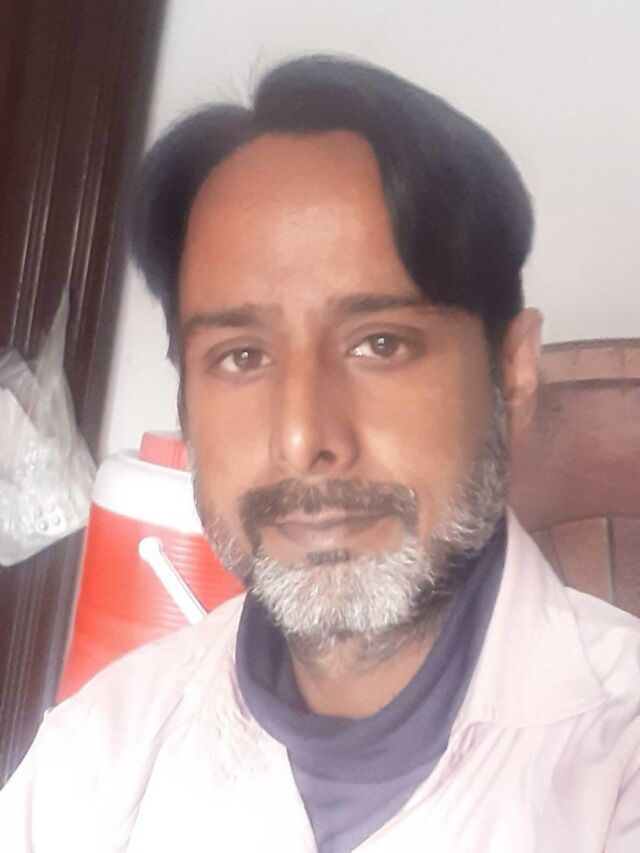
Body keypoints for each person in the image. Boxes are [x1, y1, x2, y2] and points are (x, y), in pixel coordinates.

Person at [0, 55, 638, 853]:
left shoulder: (614, 758)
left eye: (380, 343)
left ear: (512, 371)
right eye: (241, 356)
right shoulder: (94, 760)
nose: (303, 437)